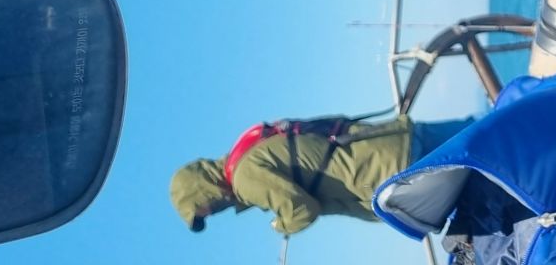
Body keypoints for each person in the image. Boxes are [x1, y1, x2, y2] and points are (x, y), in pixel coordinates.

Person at [169, 113, 471, 237]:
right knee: (483, 130)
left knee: (482, 193)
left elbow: (301, 210)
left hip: (394, 175)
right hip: (392, 138)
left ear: (204, 189)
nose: (212, 212)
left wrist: (280, 226)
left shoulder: (244, 180)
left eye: (204, 208)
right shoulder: (247, 149)